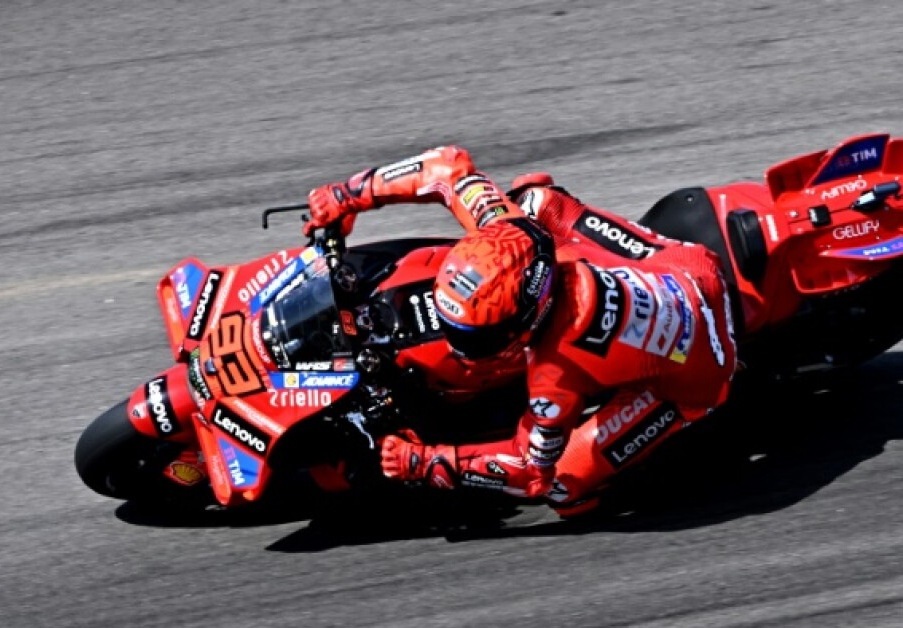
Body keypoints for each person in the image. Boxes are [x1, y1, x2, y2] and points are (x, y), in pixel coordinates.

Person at [304, 146, 736, 517]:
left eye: (475, 339)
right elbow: (445, 167)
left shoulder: (554, 379)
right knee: (534, 200)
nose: (458, 345)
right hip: (682, 265)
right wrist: (349, 194)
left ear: (531, 314)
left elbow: (529, 471)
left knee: (562, 485)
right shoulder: (506, 228)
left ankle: (640, 463)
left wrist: (427, 461)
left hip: (702, 363)